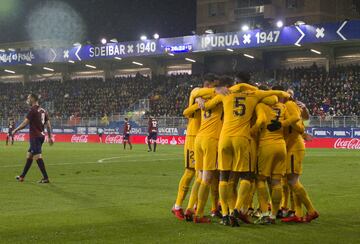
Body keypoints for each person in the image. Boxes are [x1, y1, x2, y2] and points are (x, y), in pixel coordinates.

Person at [203, 79, 290, 226]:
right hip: (243, 140)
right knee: (247, 176)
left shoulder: (226, 94)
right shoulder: (254, 96)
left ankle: (225, 213)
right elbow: (275, 96)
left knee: (225, 177)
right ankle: (239, 209)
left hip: (224, 139)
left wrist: (210, 92)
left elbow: (206, 106)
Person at [251, 85, 300, 224]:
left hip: (266, 145)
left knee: (260, 179)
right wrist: (281, 124)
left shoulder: (261, 105)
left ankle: (265, 213)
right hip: (281, 146)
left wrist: (253, 130)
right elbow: (296, 117)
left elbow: (260, 121)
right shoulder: (282, 106)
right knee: (276, 182)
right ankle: (273, 215)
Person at [281, 91, 319, 223]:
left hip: (294, 147)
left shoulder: (290, 105)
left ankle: (311, 211)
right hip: (290, 146)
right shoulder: (288, 105)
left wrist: (303, 133)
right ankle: (297, 213)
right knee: (291, 182)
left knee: (293, 181)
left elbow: (298, 122)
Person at [12, 94, 53, 183]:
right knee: (29, 155)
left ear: (33, 99)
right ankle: (22, 176)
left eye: (28, 98)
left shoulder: (33, 110)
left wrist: (16, 129)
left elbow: (25, 123)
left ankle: (46, 178)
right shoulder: (43, 111)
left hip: (35, 136)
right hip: (41, 136)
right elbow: (48, 125)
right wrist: (50, 137)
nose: (27, 100)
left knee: (37, 157)